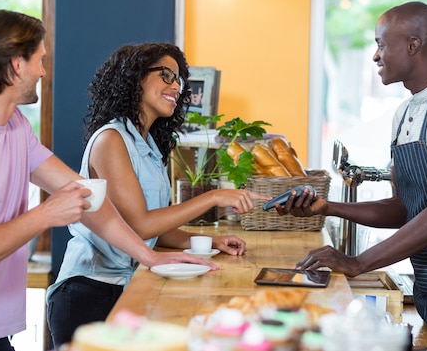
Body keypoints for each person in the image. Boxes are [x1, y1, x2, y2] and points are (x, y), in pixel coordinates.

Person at [0, 10, 214, 351]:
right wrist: (45, 215)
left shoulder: (16, 126)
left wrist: (149, 257)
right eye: (40, 60)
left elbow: (88, 197)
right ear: (17, 64)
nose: (43, 72)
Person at [276, 1, 427, 351]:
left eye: (381, 44)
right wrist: (326, 207)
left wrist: (357, 263)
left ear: (413, 44)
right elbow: (404, 208)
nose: (375, 56)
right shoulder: (405, 114)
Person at [46, 43, 268, 347]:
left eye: (178, 81)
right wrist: (213, 198)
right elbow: (140, 225)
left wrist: (206, 242)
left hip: (126, 285)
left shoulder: (146, 144)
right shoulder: (111, 139)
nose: (175, 86)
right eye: (166, 76)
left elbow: (151, 231)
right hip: (89, 291)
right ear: (135, 78)